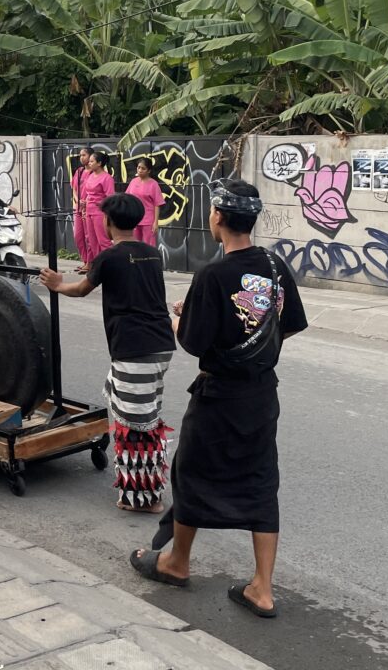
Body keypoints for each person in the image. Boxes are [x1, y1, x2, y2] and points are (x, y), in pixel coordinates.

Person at [130, 178, 308, 620]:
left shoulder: (213, 275)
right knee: (261, 480)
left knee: (191, 471)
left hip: (219, 395)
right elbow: (288, 324)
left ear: (219, 218)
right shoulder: (274, 265)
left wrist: (181, 320)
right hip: (261, 395)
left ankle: (176, 562)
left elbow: (193, 341)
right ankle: (262, 590)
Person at [41, 192, 175, 514]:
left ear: (108, 222)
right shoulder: (151, 253)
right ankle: (146, 490)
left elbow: (82, 288)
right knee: (143, 418)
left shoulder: (108, 257)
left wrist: (57, 284)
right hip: (159, 346)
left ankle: (145, 498)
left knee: (135, 426)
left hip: (134, 349)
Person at [83, 150, 115, 259]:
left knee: (103, 240)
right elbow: (88, 192)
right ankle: (98, 266)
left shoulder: (107, 178)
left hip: (100, 212)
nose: (89, 163)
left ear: (99, 163)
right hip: (88, 211)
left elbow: (110, 198)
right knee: (92, 241)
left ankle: (111, 263)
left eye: (92, 161)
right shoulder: (90, 175)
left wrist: (98, 203)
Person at [126, 157, 164, 247]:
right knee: (135, 244)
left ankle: (149, 261)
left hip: (148, 221)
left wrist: (155, 222)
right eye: (138, 167)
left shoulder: (153, 184)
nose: (140, 170)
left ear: (149, 170)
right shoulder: (133, 182)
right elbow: (128, 198)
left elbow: (157, 204)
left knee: (149, 245)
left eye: (143, 168)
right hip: (134, 219)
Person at [72, 145, 92, 273]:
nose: (81, 157)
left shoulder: (94, 172)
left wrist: (86, 201)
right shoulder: (79, 171)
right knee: (78, 236)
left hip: (89, 209)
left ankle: (90, 263)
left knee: (89, 236)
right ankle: (85, 260)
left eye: (84, 155)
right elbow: (74, 188)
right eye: (80, 155)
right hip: (78, 207)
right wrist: (77, 200)